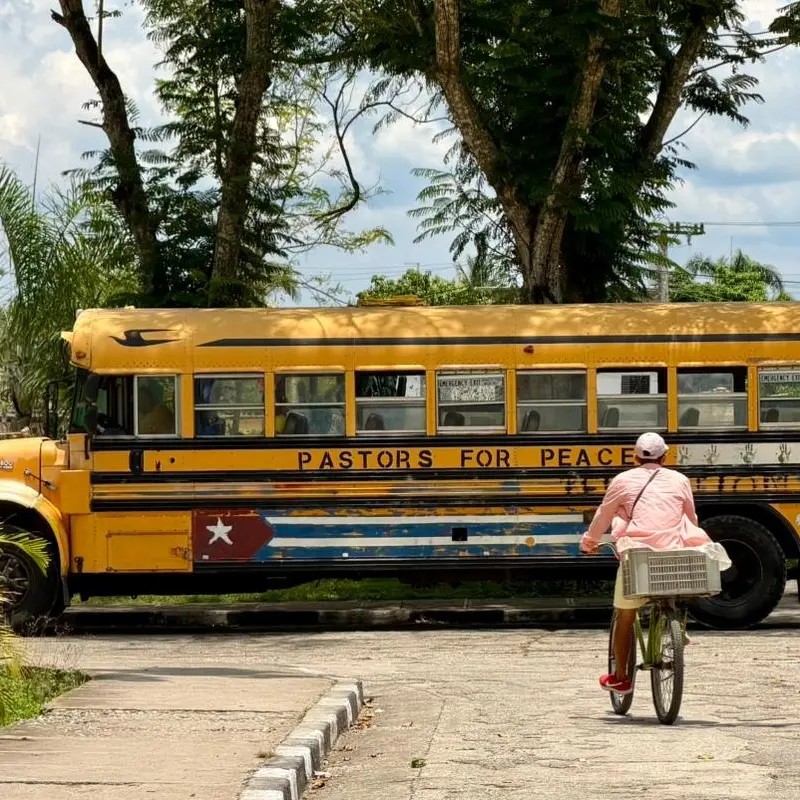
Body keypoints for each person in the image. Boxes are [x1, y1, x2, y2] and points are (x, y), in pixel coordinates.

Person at [579, 431, 710, 695]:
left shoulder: (622, 480)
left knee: (625, 614)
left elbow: (604, 515)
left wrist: (590, 541)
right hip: (675, 555)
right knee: (671, 590)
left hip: (638, 557)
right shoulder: (680, 480)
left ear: (635, 456)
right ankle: (675, 628)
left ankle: (620, 678)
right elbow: (690, 520)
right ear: (666, 455)